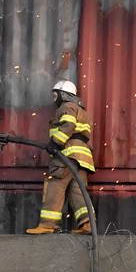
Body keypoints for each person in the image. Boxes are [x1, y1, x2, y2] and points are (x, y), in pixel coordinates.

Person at [26, 80, 95, 235]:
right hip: (82, 159)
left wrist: (55, 143)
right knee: (78, 192)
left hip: (67, 155)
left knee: (54, 186)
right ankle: (87, 224)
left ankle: (48, 225)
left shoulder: (66, 107)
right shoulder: (81, 111)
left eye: (55, 94)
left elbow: (68, 126)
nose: (54, 98)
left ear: (63, 94)